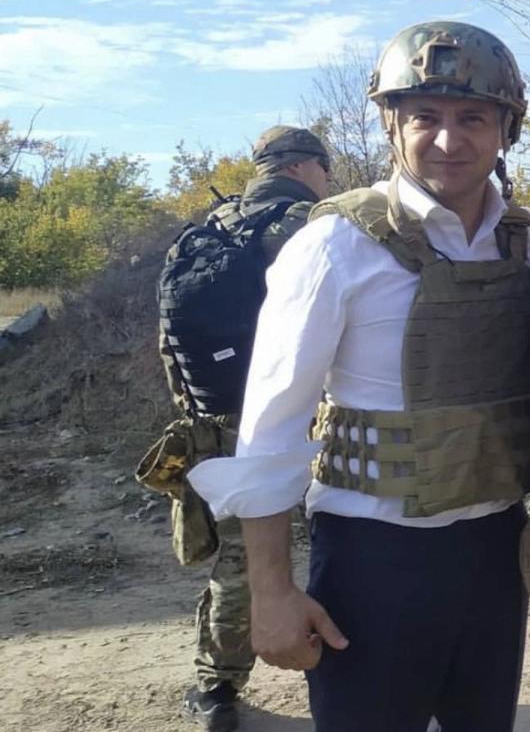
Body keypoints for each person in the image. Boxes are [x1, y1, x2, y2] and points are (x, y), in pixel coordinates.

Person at [189, 21, 530, 732]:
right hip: (374, 559)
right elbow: (272, 425)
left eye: (472, 118)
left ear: (506, 128)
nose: (448, 140)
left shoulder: (526, 244)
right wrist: (272, 591)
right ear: (391, 124)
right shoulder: (335, 245)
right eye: (425, 118)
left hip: (494, 551)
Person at [158, 125, 330, 732]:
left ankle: (216, 690)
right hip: (307, 416)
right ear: (308, 167)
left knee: (239, 560)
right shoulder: (309, 222)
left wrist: (199, 414)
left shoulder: (203, 231)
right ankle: (352, 666)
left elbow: (170, 338)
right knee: (343, 540)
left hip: (217, 417)